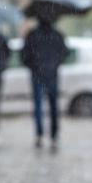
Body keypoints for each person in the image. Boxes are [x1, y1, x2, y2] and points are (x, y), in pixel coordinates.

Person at [22, 18, 67, 148]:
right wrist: (55, 65)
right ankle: (54, 135)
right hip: (52, 74)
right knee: (53, 106)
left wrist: (34, 66)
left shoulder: (32, 35)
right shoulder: (57, 35)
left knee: (38, 106)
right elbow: (64, 53)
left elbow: (24, 55)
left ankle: (39, 134)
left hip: (37, 74)